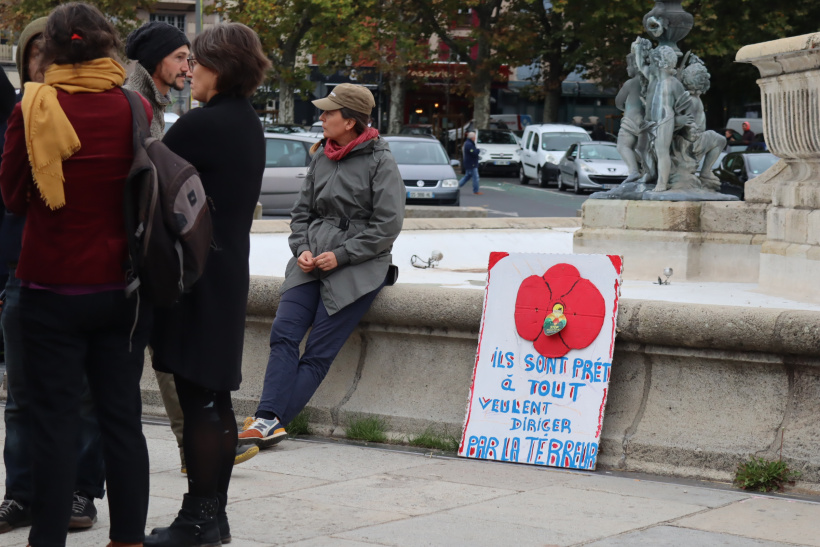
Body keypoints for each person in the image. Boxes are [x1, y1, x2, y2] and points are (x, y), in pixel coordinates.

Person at [0, 3, 154, 546]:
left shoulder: (33, 106)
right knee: (121, 420)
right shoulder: (134, 107)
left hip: (49, 287)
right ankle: (128, 538)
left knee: (54, 424)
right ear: (106, 45)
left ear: (53, 52)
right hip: (119, 288)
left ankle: (48, 540)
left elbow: (14, 197)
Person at [145, 23, 271, 546]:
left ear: (220, 66)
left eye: (197, 61)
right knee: (214, 397)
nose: (190, 70)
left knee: (199, 397)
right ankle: (211, 516)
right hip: (226, 270)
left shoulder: (202, 126)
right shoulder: (247, 123)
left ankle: (197, 520)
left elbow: (148, 180)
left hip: (194, 276)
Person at [237, 83, 404, 450]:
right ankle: (267, 421)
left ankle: (267, 422)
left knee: (317, 354)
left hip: (359, 269)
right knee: (283, 333)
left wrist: (342, 255)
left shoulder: (381, 161)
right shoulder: (321, 156)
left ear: (351, 121)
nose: (321, 118)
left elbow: (387, 226)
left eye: (329, 112)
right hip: (310, 262)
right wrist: (301, 248)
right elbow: (301, 214)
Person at [0, 14, 110, 536]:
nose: (44, 65)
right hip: (23, 271)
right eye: (35, 56)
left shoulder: (92, 108)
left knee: (86, 397)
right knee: (20, 396)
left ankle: (78, 491)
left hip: (79, 275)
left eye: (51, 54)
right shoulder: (21, 112)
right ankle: (20, 492)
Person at [124, 21, 189, 139]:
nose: (186, 68)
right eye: (179, 57)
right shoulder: (128, 104)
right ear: (155, 59)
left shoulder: (153, 104)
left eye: (187, 58)